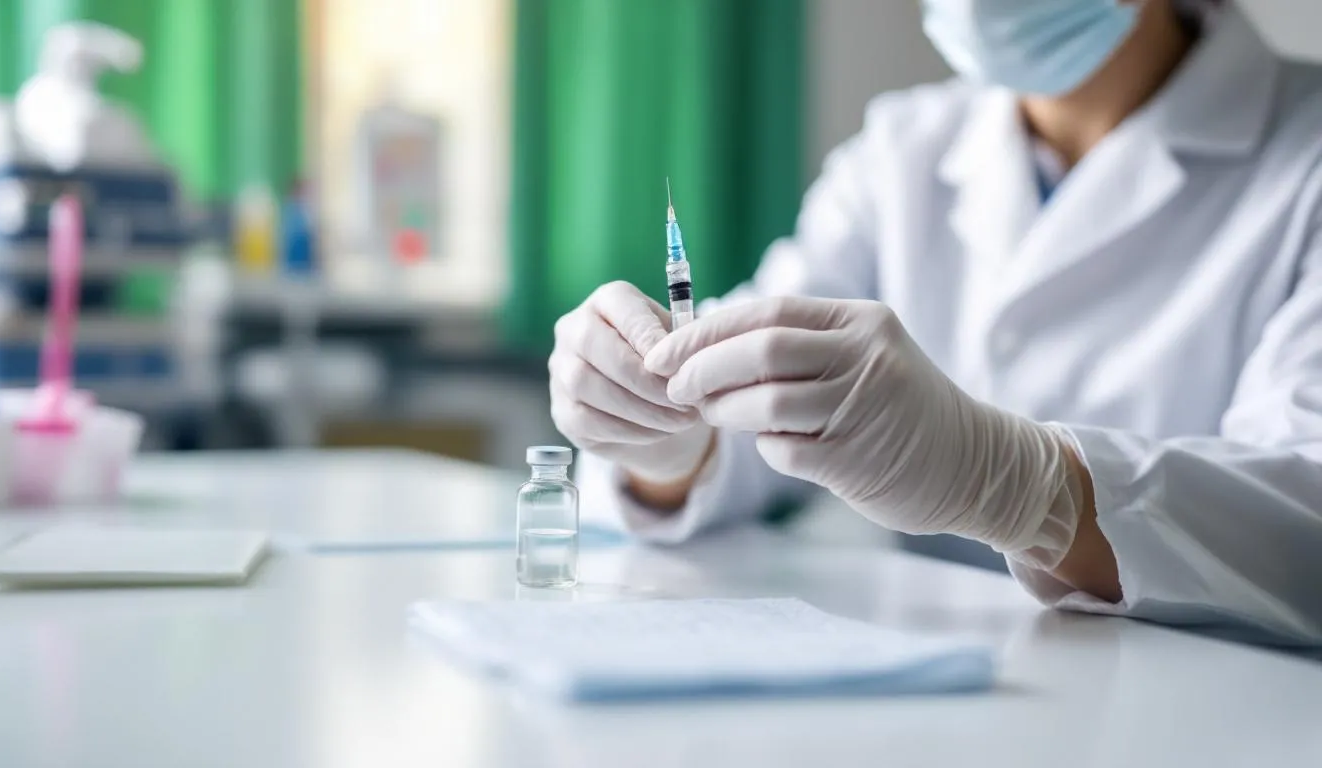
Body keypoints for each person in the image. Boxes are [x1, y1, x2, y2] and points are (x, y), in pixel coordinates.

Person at [549, 0, 1322, 645]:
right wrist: (667, 431)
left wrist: (1022, 486)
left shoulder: (1304, 154)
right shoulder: (904, 147)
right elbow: (755, 410)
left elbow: (1304, 535)